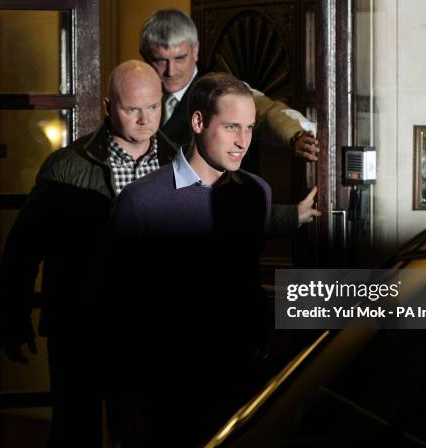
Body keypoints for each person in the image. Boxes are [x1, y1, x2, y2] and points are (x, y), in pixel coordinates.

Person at [0, 60, 175, 447]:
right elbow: (23, 248)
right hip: (79, 328)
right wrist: (13, 316)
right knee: (75, 434)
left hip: (153, 329)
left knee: (148, 433)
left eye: (153, 107)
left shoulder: (179, 164)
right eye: (132, 109)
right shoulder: (65, 166)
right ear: (108, 107)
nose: (145, 120)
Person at [106, 71, 275, 446]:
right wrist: (125, 401)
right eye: (232, 127)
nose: (243, 142)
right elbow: (117, 312)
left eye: (249, 128)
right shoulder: (140, 202)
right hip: (166, 394)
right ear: (198, 122)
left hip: (240, 387)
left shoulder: (256, 194)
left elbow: (246, 284)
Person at [140, 8, 321, 162]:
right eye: (160, 60)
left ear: (195, 51)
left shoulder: (218, 87)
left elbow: (266, 112)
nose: (171, 71)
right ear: (145, 57)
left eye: (180, 58)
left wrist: (297, 135)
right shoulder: (137, 91)